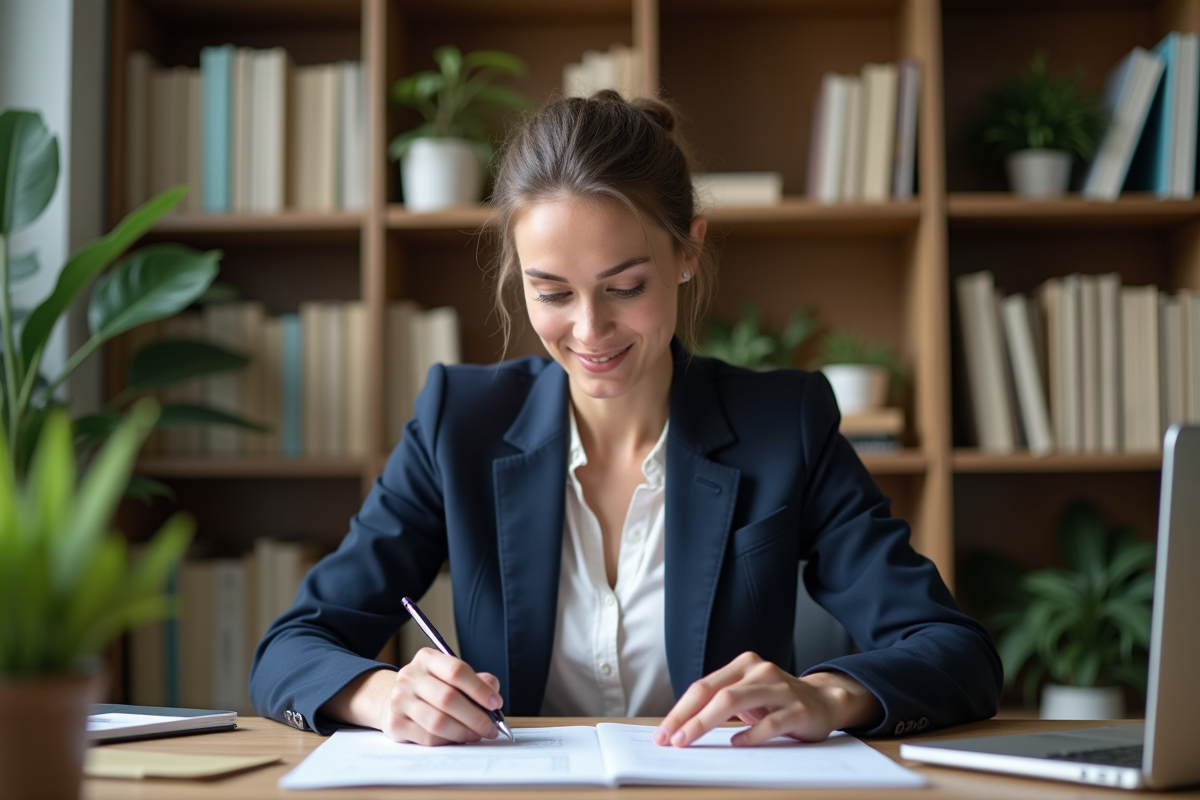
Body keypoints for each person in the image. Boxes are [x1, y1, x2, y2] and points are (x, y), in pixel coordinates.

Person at [249, 90, 1002, 748]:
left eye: (625, 286)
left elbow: (952, 650)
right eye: (551, 293)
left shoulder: (785, 425)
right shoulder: (459, 424)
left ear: (687, 253)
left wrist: (828, 695)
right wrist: (384, 697)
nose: (589, 331)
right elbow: (292, 648)